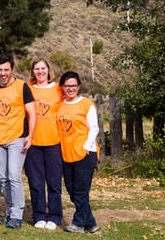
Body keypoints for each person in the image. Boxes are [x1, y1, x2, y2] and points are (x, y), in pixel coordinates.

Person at [0, 53, 36, 229]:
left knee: (14, 176)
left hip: (17, 138)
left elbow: (32, 113)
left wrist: (30, 135)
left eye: (6, 70)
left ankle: (17, 214)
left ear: (12, 69)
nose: (3, 73)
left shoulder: (22, 87)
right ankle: (9, 212)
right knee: (3, 178)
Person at [57, 71, 100, 234]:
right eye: (67, 86)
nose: (71, 89)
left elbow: (94, 127)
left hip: (85, 154)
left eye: (74, 86)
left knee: (81, 190)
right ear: (62, 87)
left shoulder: (86, 104)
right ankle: (91, 222)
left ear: (78, 87)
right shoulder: (60, 105)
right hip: (67, 153)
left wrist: (86, 147)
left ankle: (79, 223)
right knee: (72, 189)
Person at [27, 57, 63, 230]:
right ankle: (39, 215)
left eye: (43, 68)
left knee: (54, 183)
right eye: (36, 69)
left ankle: (55, 216)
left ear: (48, 70)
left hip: (53, 142)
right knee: (36, 182)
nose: (40, 72)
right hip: (33, 143)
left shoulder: (58, 89)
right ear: (32, 71)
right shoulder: (29, 88)